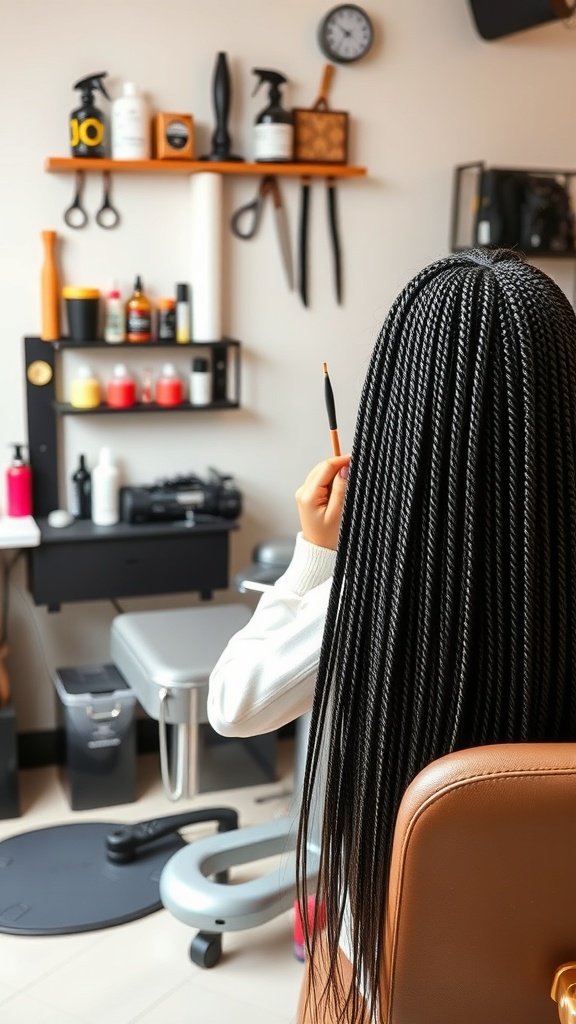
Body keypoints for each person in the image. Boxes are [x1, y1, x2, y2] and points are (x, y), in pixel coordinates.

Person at [208, 248, 576, 1023]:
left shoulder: (367, 603)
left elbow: (233, 705)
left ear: (399, 429)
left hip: (394, 983)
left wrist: (316, 558)